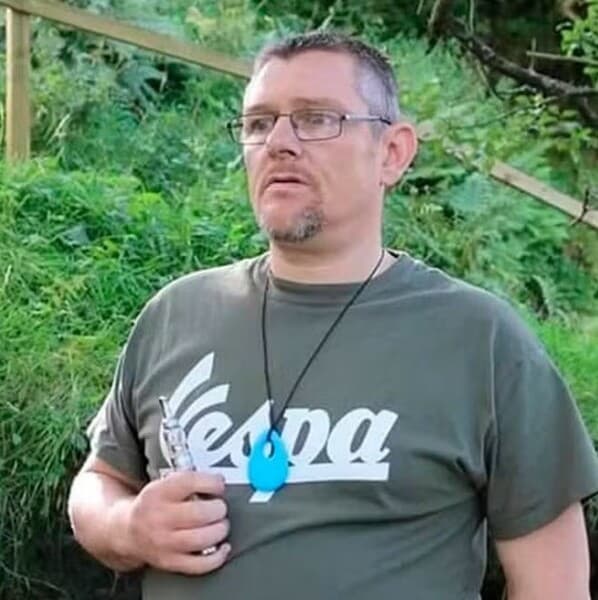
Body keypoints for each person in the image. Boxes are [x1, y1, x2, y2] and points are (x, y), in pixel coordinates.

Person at [68, 31, 598, 600]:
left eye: (316, 119)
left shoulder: (481, 341)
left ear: (392, 153)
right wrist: (129, 526)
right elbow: (99, 481)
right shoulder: (176, 315)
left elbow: (555, 585)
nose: (279, 142)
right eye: (258, 123)